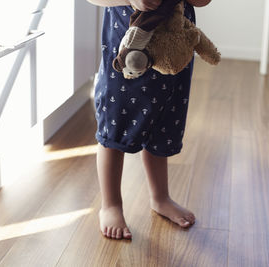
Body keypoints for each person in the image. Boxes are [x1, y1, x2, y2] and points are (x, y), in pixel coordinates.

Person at [88, 0, 212, 239]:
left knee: (164, 123)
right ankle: (111, 204)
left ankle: (160, 197)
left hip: (173, 55)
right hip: (126, 54)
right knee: (115, 126)